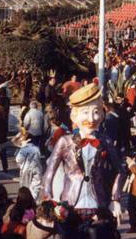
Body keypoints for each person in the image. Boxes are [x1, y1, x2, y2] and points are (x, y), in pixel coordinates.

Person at [42, 83, 123, 216]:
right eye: (85, 113)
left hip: (99, 203)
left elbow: (120, 171)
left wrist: (115, 198)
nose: (91, 119)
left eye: (96, 112)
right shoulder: (65, 141)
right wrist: (48, 196)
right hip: (71, 203)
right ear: (75, 116)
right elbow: (49, 172)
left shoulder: (105, 141)